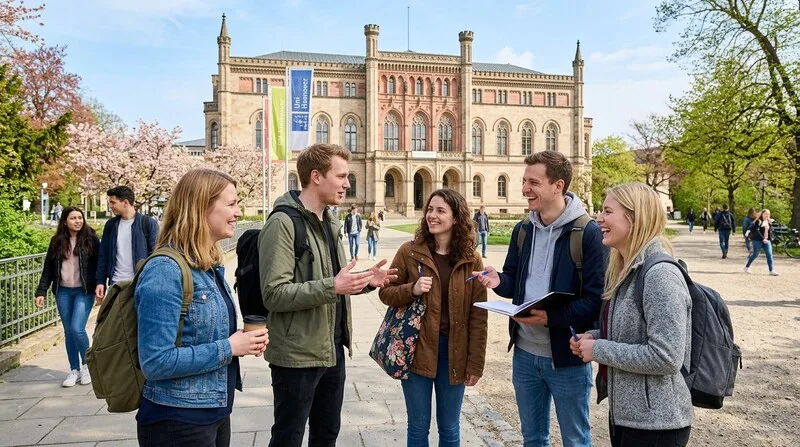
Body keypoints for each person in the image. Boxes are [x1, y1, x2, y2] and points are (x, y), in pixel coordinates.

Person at [258, 144, 397, 447]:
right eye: (341, 176)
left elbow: (334, 280)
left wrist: (367, 280)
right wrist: (332, 287)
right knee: (288, 437)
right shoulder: (282, 223)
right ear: (316, 176)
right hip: (297, 355)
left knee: (326, 434)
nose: (347, 183)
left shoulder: (330, 222)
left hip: (331, 350)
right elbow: (274, 294)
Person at [473, 151, 606, 447]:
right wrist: (498, 281)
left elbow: (595, 301)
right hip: (524, 354)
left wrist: (550, 318)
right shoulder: (523, 230)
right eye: (524, 181)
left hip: (567, 358)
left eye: (533, 182)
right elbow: (512, 280)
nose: (524, 189)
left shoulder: (588, 233)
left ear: (558, 186)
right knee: (532, 439)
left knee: (575, 440)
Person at [135, 169, 268, 447]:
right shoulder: (165, 270)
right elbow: (156, 361)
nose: (238, 212)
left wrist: (242, 340)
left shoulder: (206, 266)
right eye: (231, 204)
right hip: (178, 419)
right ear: (200, 207)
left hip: (212, 410)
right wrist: (229, 347)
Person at [571, 182, 693, 447]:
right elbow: (631, 334)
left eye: (608, 212)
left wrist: (599, 349)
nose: (598, 218)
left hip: (657, 425)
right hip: (629, 418)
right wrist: (593, 337)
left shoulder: (660, 276)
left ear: (635, 217)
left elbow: (667, 357)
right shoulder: (626, 269)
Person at [379, 188, 488, 447]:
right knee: (418, 427)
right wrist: (412, 289)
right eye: (430, 209)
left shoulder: (471, 259)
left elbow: (478, 315)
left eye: (440, 211)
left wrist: (475, 363)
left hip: (454, 352)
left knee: (450, 428)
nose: (432, 215)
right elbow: (385, 292)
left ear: (456, 218)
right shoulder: (409, 252)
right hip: (416, 350)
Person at [35, 206, 100, 387]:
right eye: (73, 218)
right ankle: (74, 370)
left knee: (77, 328)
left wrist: (100, 286)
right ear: (65, 221)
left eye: (80, 217)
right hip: (63, 291)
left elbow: (99, 265)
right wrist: (41, 291)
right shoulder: (56, 241)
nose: (78, 221)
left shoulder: (91, 239)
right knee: (68, 332)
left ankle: (87, 366)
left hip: (84, 291)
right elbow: (48, 268)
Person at [95, 186, 159, 302]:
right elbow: (103, 254)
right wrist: (100, 282)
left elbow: (155, 255)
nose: (110, 206)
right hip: (115, 284)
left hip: (139, 284)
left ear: (125, 203)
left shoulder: (147, 223)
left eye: (113, 202)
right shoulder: (111, 225)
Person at [744, 209, 779, 276]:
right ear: (762, 214)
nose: (767, 215)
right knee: (755, 254)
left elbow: (772, 229)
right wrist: (748, 232)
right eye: (765, 214)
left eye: (768, 214)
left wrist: (773, 224)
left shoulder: (769, 221)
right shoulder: (758, 221)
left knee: (769, 254)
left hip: (767, 240)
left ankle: (771, 270)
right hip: (757, 240)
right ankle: (747, 266)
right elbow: (753, 227)